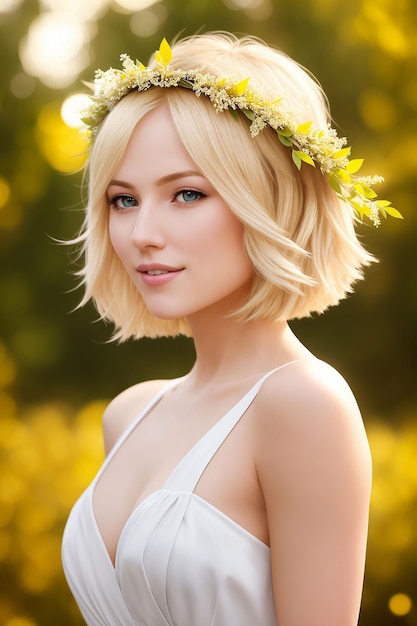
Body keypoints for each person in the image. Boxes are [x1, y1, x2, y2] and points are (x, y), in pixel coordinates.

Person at [61, 32, 399, 626]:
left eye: (186, 193)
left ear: (268, 200)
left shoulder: (304, 405)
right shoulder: (129, 414)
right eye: (122, 200)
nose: (142, 232)